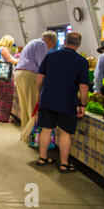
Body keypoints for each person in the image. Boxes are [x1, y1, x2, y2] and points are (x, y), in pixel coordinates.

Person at [36, 32, 89, 173]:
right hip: (67, 102)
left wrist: (39, 93)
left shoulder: (50, 56)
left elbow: (40, 77)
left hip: (47, 99)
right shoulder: (82, 62)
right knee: (65, 133)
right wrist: (83, 104)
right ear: (79, 44)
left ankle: (42, 158)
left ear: (64, 41)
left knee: (46, 129)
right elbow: (84, 87)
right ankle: (64, 164)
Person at [14, 31, 57, 129]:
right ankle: (33, 135)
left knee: (24, 105)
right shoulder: (42, 44)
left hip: (20, 74)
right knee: (32, 105)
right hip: (29, 75)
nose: (51, 47)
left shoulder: (33, 42)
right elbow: (42, 64)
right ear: (50, 40)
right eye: (53, 44)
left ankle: (25, 132)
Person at [0, 35, 19, 123]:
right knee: (8, 97)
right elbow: (10, 60)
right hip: (7, 75)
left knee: (2, 95)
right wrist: (19, 60)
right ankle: (4, 118)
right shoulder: (4, 49)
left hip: (1, 76)